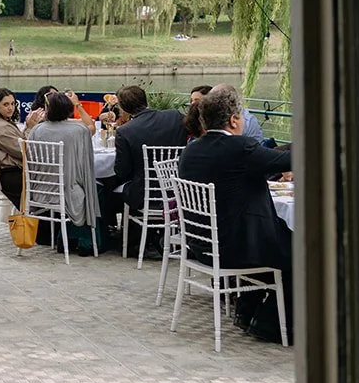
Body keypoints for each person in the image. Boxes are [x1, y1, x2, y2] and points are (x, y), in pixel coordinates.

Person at [176, 85, 293, 343]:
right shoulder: (240, 148)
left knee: (280, 238)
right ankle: (270, 322)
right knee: (305, 252)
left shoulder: (191, 150)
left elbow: (268, 159)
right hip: (235, 247)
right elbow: (285, 161)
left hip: (201, 245)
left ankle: (247, 310)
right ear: (233, 119)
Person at [109, 84, 189, 254]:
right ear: (146, 99)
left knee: (111, 189)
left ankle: (126, 239)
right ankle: (154, 236)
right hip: (176, 191)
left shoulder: (125, 131)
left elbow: (122, 171)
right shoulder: (175, 117)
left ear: (123, 107)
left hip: (144, 194)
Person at [25, 91, 102, 255]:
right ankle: (84, 241)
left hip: (39, 192)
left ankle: (65, 239)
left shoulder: (36, 130)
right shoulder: (78, 130)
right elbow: (85, 168)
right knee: (94, 189)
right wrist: (78, 105)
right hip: (67, 194)